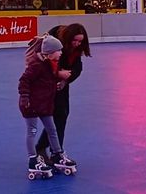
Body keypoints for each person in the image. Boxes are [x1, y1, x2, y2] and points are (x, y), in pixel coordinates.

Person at [19, 35, 76, 176]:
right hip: (31, 104)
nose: (61, 53)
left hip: (45, 104)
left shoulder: (51, 66)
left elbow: (49, 77)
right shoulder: (36, 66)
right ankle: (33, 160)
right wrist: (25, 96)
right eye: (59, 50)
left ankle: (57, 154)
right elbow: (24, 80)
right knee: (32, 131)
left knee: (52, 129)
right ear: (50, 53)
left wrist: (59, 78)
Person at [35, 23, 90, 163]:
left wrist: (66, 80)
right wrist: (58, 74)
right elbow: (39, 64)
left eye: (80, 41)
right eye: (75, 40)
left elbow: (77, 67)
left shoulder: (75, 50)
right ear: (68, 37)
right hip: (46, 85)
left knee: (61, 115)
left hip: (61, 86)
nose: (77, 44)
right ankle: (54, 151)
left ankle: (47, 149)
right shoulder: (52, 42)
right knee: (57, 116)